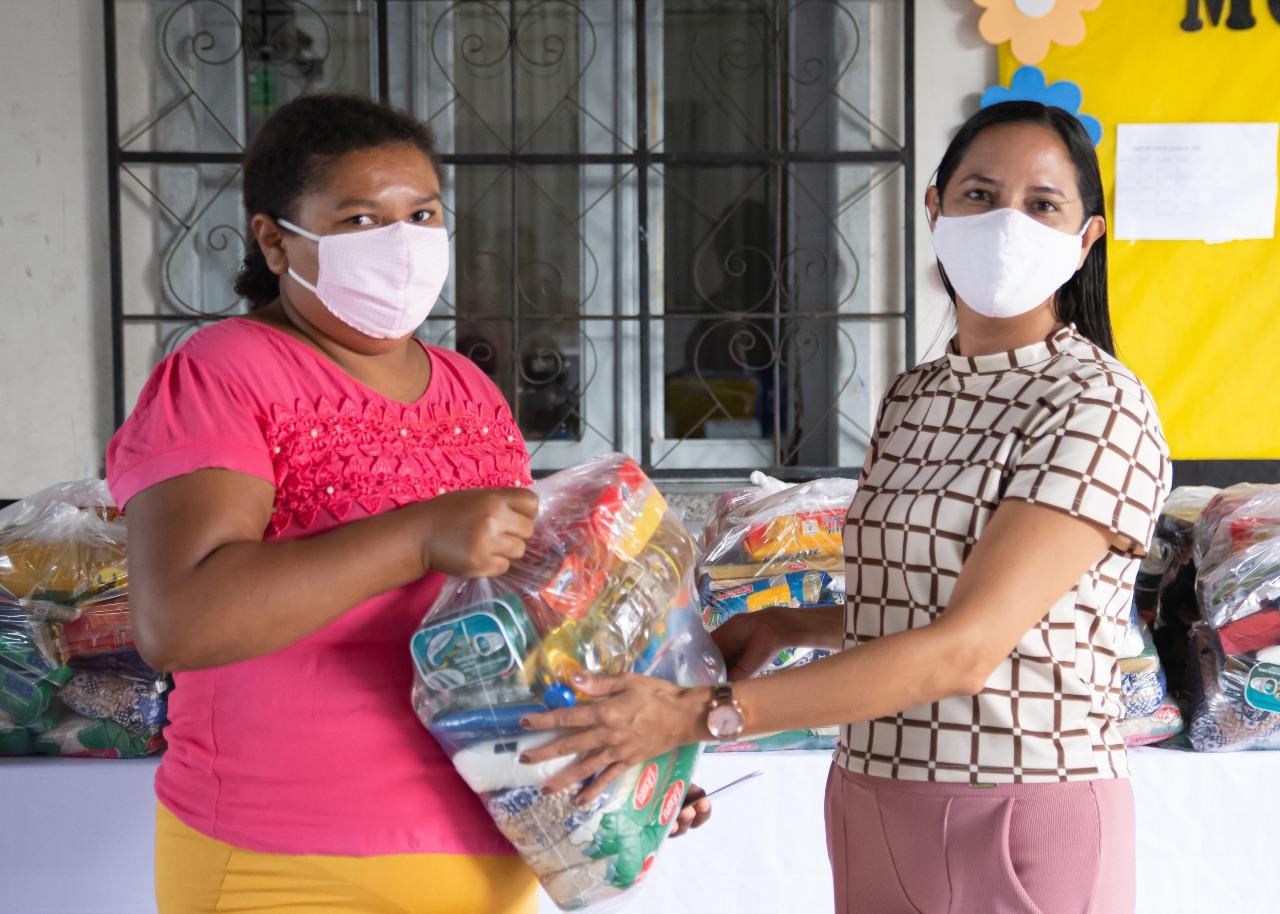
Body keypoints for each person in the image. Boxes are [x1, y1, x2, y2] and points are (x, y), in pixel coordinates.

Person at [522, 100, 1172, 914]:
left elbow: (967, 647)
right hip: (872, 790)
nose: (1006, 221)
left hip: (1016, 802)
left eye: (1042, 204)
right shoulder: (916, 395)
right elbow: (936, 590)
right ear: (933, 211)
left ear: (1085, 240)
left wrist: (701, 715)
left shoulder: (1098, 403)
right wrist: (794, 626)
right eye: (978, 194)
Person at [111, 93, 544, 914]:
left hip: (496, 843)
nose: (403, 243)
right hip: (292, 865)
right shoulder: (223, 373)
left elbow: (517, 610)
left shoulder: (469, 387)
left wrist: (618, 757)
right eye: (360, 220)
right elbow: (180, 623)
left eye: (421, 213)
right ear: (274, 239)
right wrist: (417, 537)